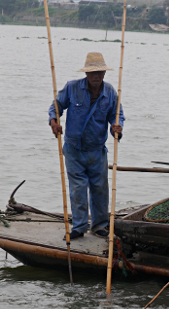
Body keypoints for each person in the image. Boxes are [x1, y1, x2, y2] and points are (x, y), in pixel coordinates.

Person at [48, 52, 124, 240]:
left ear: (104, 74)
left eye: (99, 72)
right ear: (86, 74)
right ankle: (79, 226)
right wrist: (54, 122)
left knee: (100, 188)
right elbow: (56, 106)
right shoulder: (72, 88)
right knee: (77, 188)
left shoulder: (110, 92)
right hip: (73, 150)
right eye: (92, 73)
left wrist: (117, 128)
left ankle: (99, 225)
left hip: (97, 151)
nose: (96, 76)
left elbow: (117, 115)